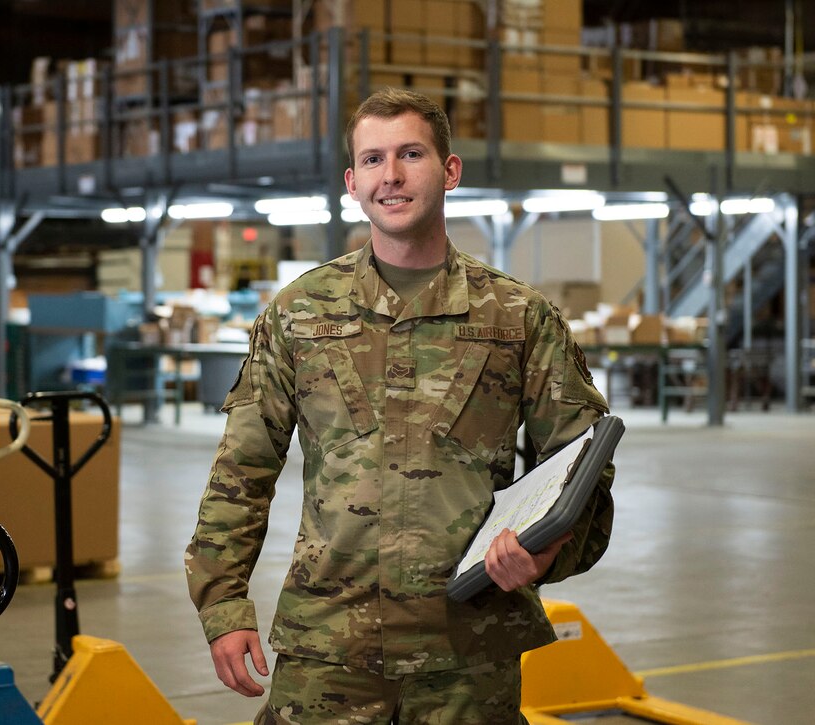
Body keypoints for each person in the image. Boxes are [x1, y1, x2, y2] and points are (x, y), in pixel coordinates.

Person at [184, 87, 614, 724]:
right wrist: (223, 606)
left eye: (411, 154)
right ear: (353, 183)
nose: (392, 175)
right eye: (375, 159)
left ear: (449, 170)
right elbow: (241, 470)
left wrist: (550, 550)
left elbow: (582, 467)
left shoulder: (518, 318)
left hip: (467, 652)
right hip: (328, 649)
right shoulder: (300, 314)